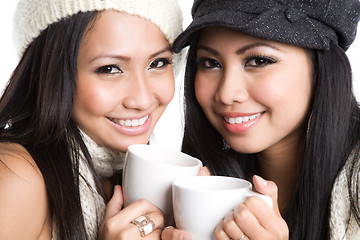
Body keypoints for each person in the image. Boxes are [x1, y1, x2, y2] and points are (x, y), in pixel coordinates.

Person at [162, 0, 360, 239]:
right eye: (211, 63)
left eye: (259, 61)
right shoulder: (194, 186)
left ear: (321, 67)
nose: (226, 93)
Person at [0, 0, 183, 239]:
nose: (142, 99)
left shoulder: (123, 172)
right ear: (52, 73)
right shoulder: (15, 175)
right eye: (109, 69)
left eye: (158, 63)